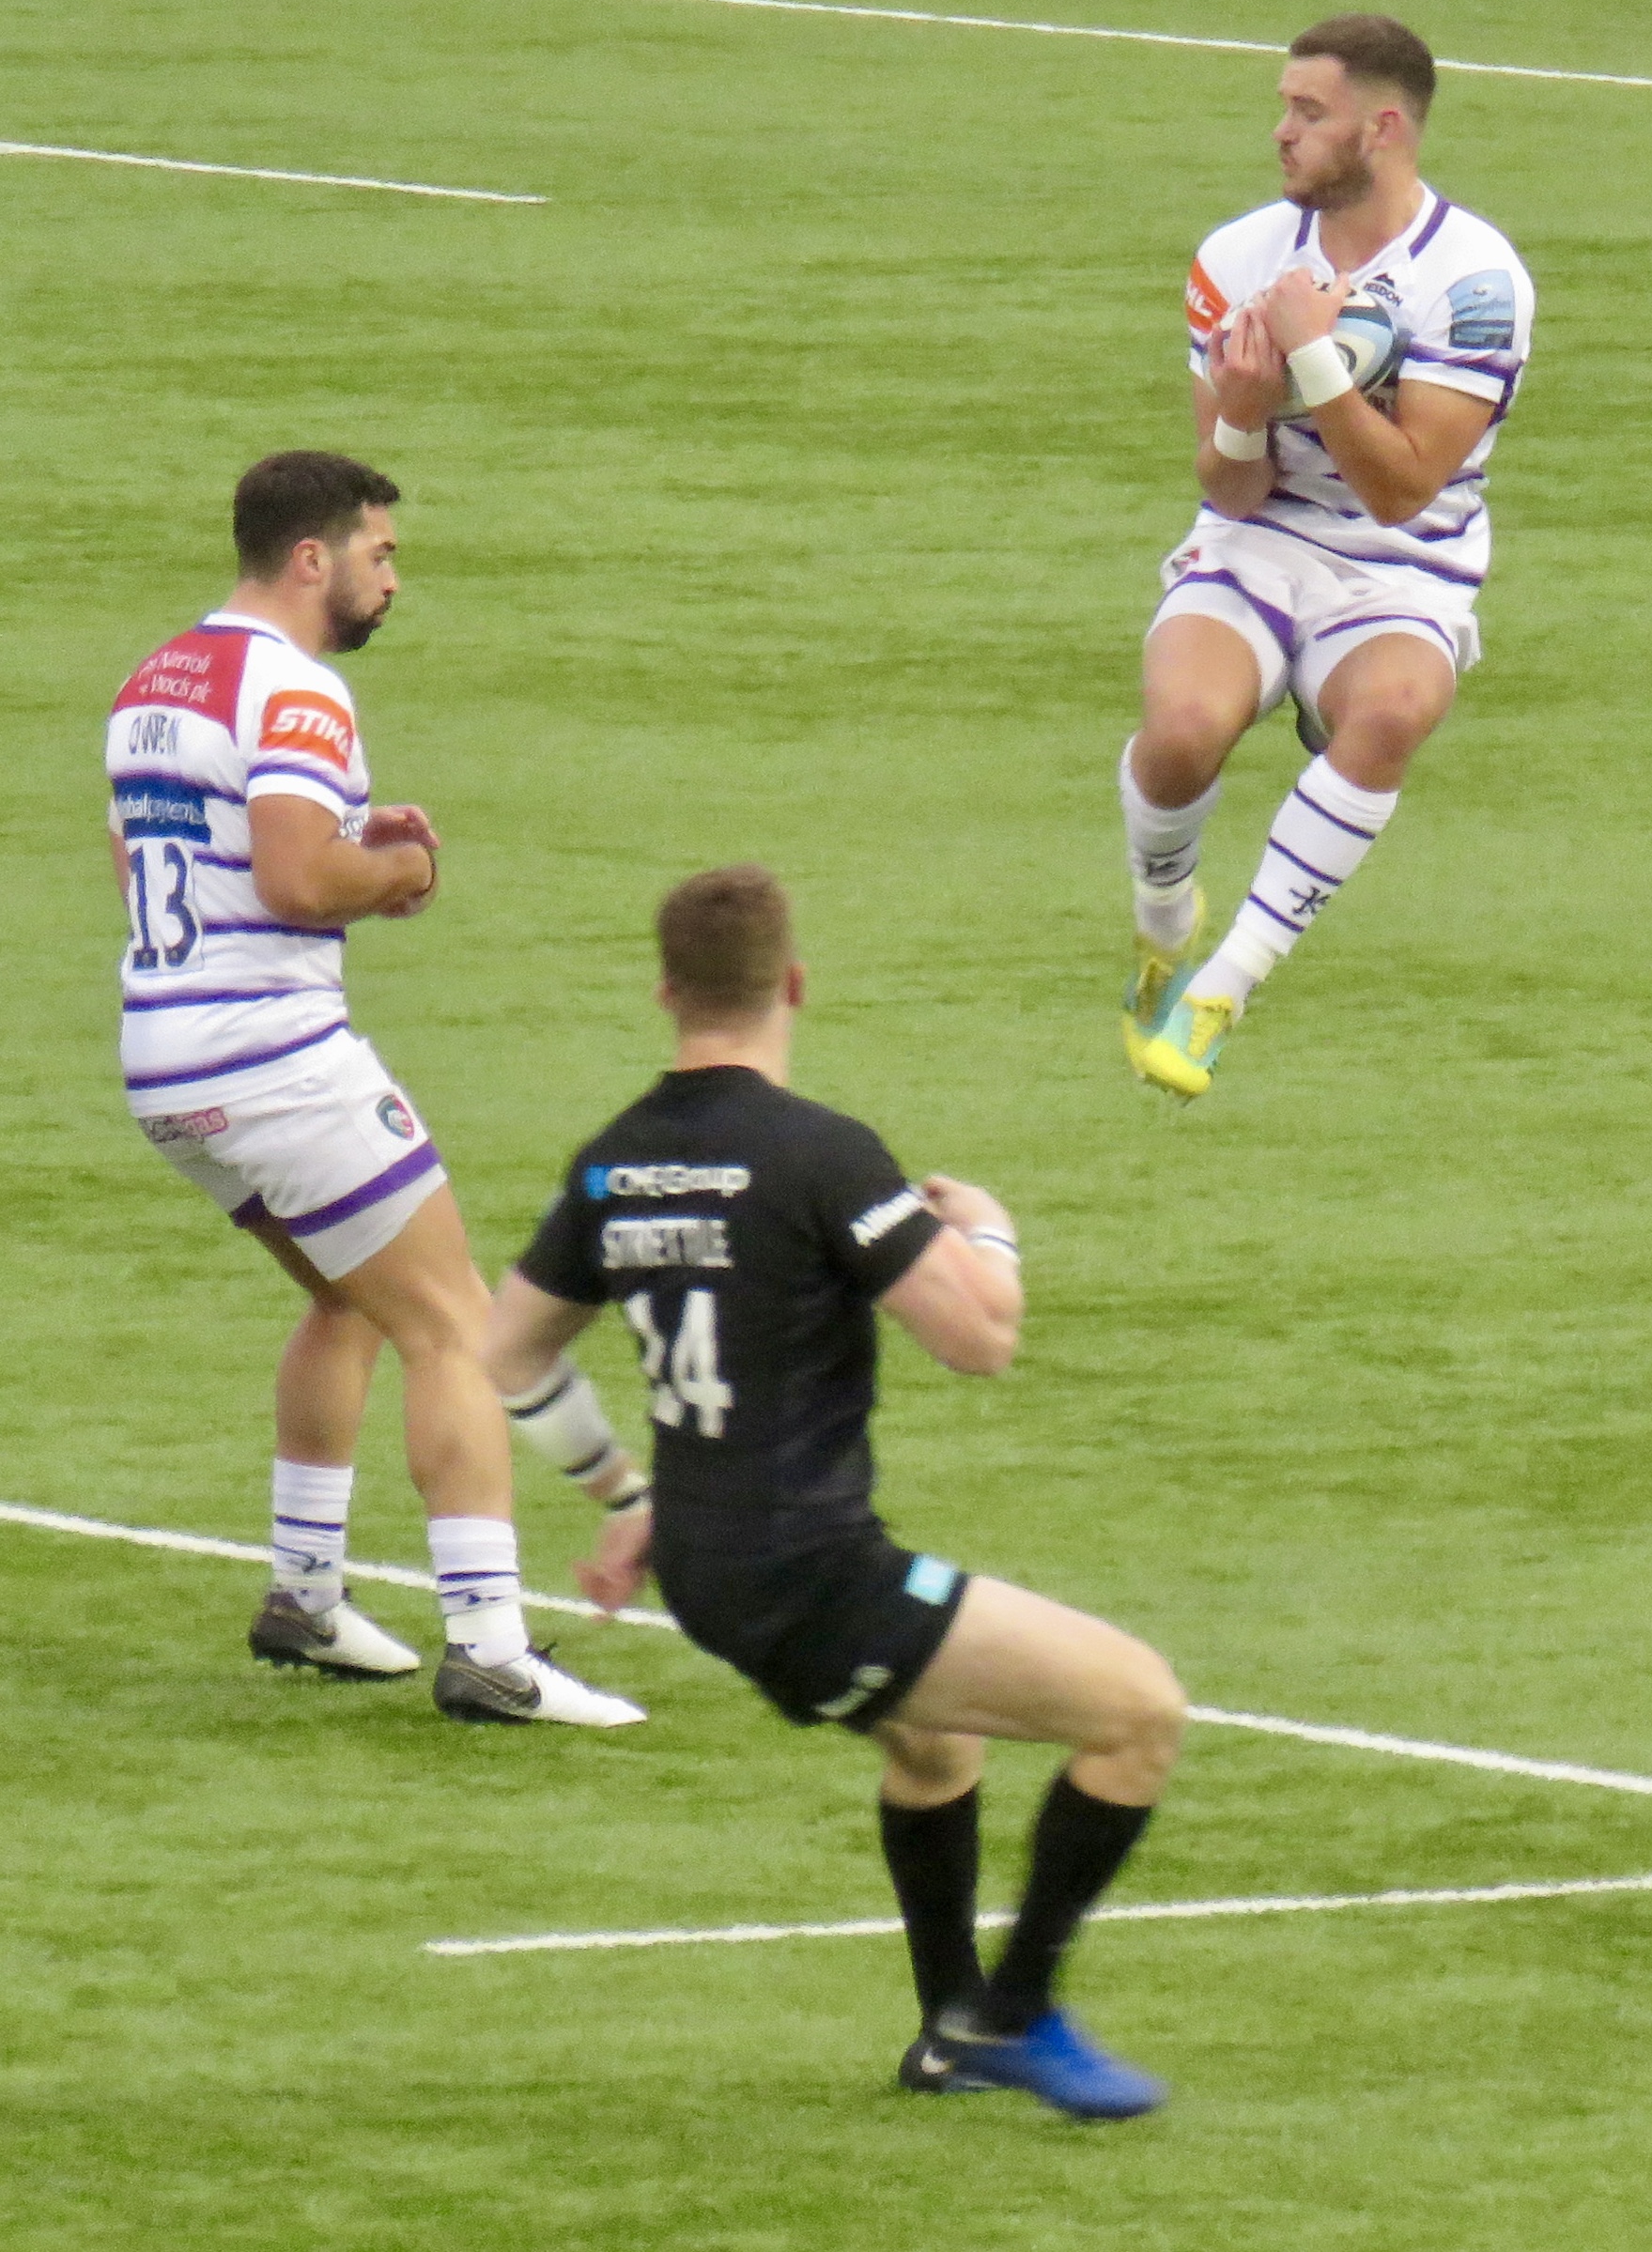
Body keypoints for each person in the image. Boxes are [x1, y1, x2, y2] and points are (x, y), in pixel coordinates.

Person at [482, 866, 1188, 2119]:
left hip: (708, 1576)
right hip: (811, 1576)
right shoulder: (820, 1155)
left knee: (935, 1743)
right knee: (1139, 1712)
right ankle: (1012, 2014)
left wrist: (626, 1496)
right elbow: (981, 1338)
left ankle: (945, 2032)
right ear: (794, 986)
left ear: (666, 993)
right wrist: (990, 1230)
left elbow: (508, 1356)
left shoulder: (612, 1167)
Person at [104, 450, 643, 1727]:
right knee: (457, 1326)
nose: (392, 579)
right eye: (380, 553)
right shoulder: (299, 688)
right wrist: (398, 871)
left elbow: (152, 859)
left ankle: (304, 1596)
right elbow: (295, 882)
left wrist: (350, 839)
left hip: (164, 1054)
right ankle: (492, 1649)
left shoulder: (152, 681)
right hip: (273, 1059)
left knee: (347, 1299)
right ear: (313, 557)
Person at [1119, 14, 1535, 1099]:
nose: (1281, 132)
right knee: (1182, 734)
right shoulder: (1237, 256)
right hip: (1258, 541)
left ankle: (1222, 990)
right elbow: (1229, 487)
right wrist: (1243, 410)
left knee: (1392, 712)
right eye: (1284, 108)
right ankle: (1162, 921)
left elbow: (1402, 493)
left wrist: (1310, 360)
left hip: (1405, 566)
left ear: (1382, 129)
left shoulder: (1476, 281)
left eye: (1309, 112)